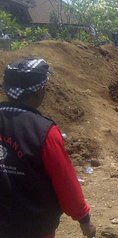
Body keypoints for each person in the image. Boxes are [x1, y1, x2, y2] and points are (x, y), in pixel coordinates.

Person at [0, 58, 96, 238]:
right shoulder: (45, 132)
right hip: (34, 228)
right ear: (39, 92)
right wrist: (84, 219)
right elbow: (65, 182)